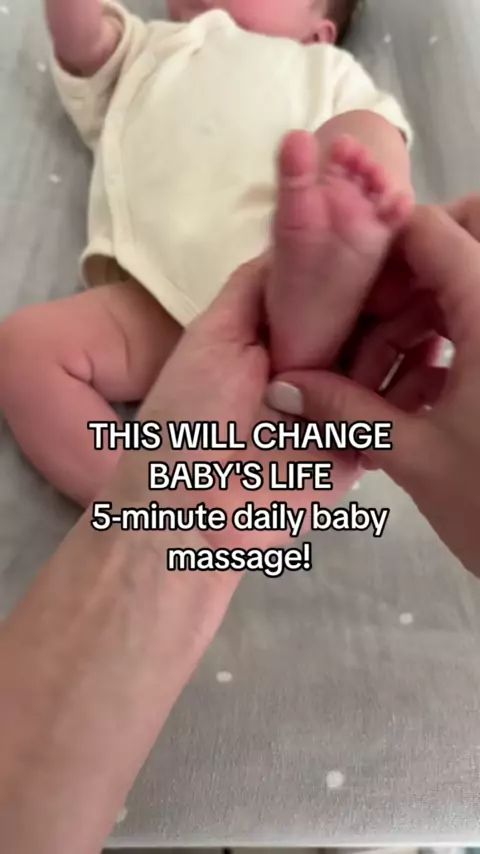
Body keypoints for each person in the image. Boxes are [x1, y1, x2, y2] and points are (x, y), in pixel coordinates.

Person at [2, 193, 480, 853]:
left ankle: (318, 287)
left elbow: (384, 169)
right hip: (175, 284)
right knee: (24, 347)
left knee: (352, 177)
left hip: (305, 273)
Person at [0, 0, 412, 506]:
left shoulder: (327, 69)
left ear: (318, 32)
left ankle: (341, 252)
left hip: (271, 283)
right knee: (22, 350)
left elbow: (378, 130)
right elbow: (82, 42)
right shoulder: (149, 45)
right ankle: (152, 508)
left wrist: (371, 169)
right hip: (156, 297)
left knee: (365, 132)